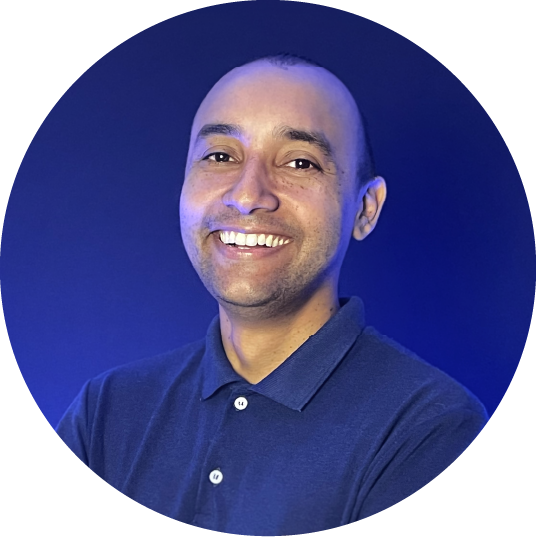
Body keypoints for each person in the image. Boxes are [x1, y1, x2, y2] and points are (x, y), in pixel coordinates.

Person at [56, 54, 488, 535]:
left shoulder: (429, 429)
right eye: (220, 157)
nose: (247, 196)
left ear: (366, 209)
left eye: (300, 162)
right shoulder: (106, 413)